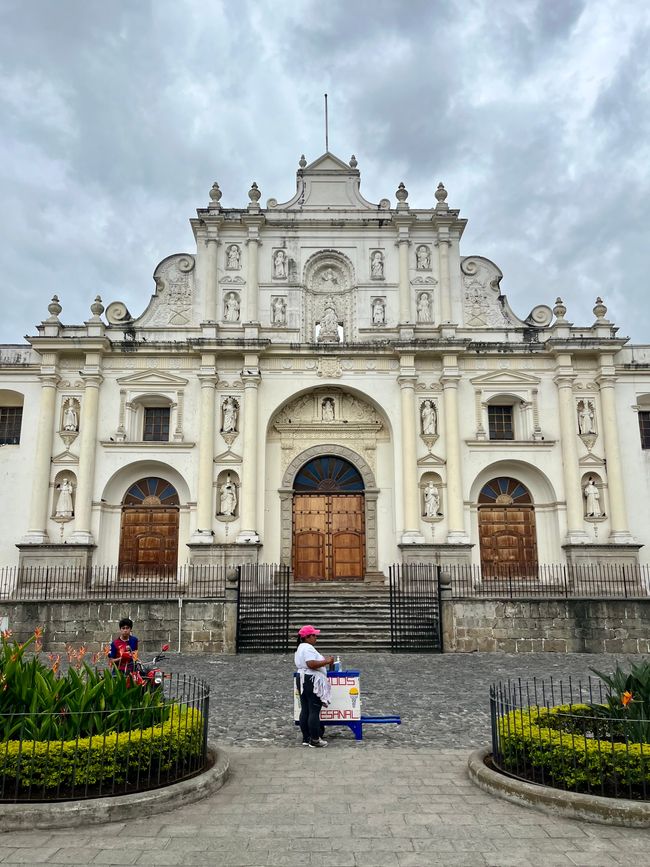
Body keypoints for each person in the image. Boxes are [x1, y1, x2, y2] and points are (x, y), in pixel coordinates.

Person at [294, 625, 334, 748]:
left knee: (305, 709)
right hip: (311, 679)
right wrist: (327, 661)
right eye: (314, 635)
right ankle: (315, 739)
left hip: (302, 678)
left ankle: (306, 737)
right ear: (307, 637)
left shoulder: (300, 648)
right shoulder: (308, 648)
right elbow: (311, 663)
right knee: (314, 710)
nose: (316, 637)